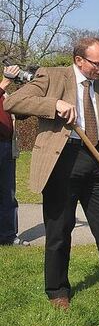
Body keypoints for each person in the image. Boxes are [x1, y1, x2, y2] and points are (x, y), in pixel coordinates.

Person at [5, 37, 99, 309]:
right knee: (59, 229)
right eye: (98, 64)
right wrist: (54, 105)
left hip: (97, 161)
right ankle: (58, 290)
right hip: (62, 161)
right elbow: (13, 102)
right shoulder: (52, 76)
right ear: (78, 60)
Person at [0, 65, 30, 246]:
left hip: (6, 146)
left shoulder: (4, 94)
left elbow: (20, 114)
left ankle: (8, 236)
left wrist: (24, 90)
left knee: (8, 193)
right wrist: (5, 82)